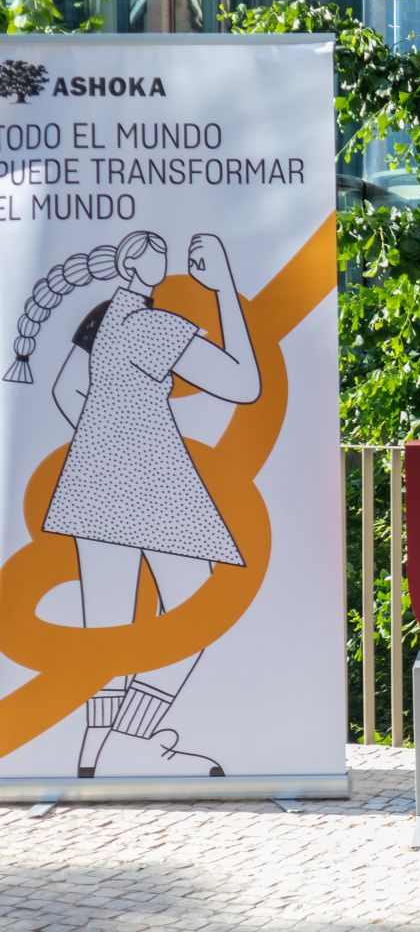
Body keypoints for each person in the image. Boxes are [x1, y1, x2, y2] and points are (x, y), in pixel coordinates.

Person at [4, 231, 260, 780]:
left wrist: (105, 442)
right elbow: (244, 383)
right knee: (198, 612)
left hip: (93, 483)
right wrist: (224, 288)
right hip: (151, 484)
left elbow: (66, 390)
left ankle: (96, 754)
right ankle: (130, 739)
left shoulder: (101, 317)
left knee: (109, 625)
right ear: (151, 270)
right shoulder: (151, 327)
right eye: (164, 260)